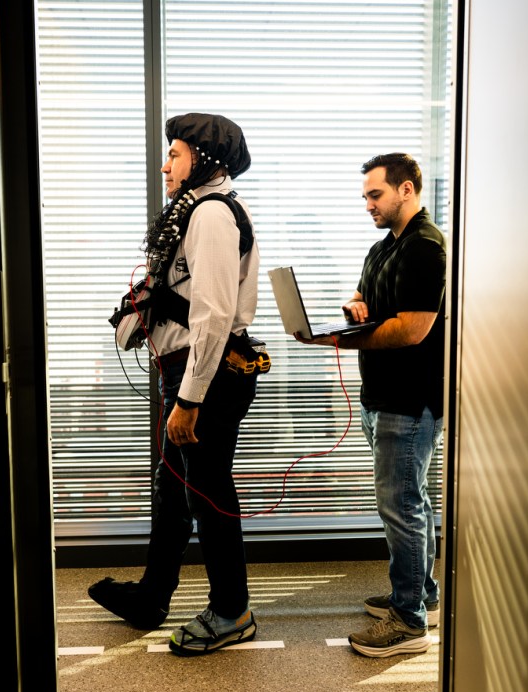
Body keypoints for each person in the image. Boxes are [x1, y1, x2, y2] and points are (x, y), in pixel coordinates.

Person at [89, 112, 265, 656]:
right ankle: (152, 596)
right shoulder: (193, 212)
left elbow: (213, 315)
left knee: (209, 493)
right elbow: (186, 299)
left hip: (203, 378)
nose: (165, 166)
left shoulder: (211, 214)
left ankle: (232, 611)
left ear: (204, 160)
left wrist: (188, 400)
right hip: (188, 370)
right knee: (174, 490)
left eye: (176, 154)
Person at [296, 152, 446, 657]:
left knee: (401, 507)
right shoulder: (384, 247)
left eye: (375, 194)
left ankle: (408, 621)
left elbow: (413, 329)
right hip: (380, 397)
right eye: (364, 196)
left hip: (410, 401)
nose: (368, 204)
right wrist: (353, 311)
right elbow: (365, 297)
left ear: (406, 190)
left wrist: (342, 341)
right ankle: (420, 593)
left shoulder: (426, 248)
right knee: (412, 501)